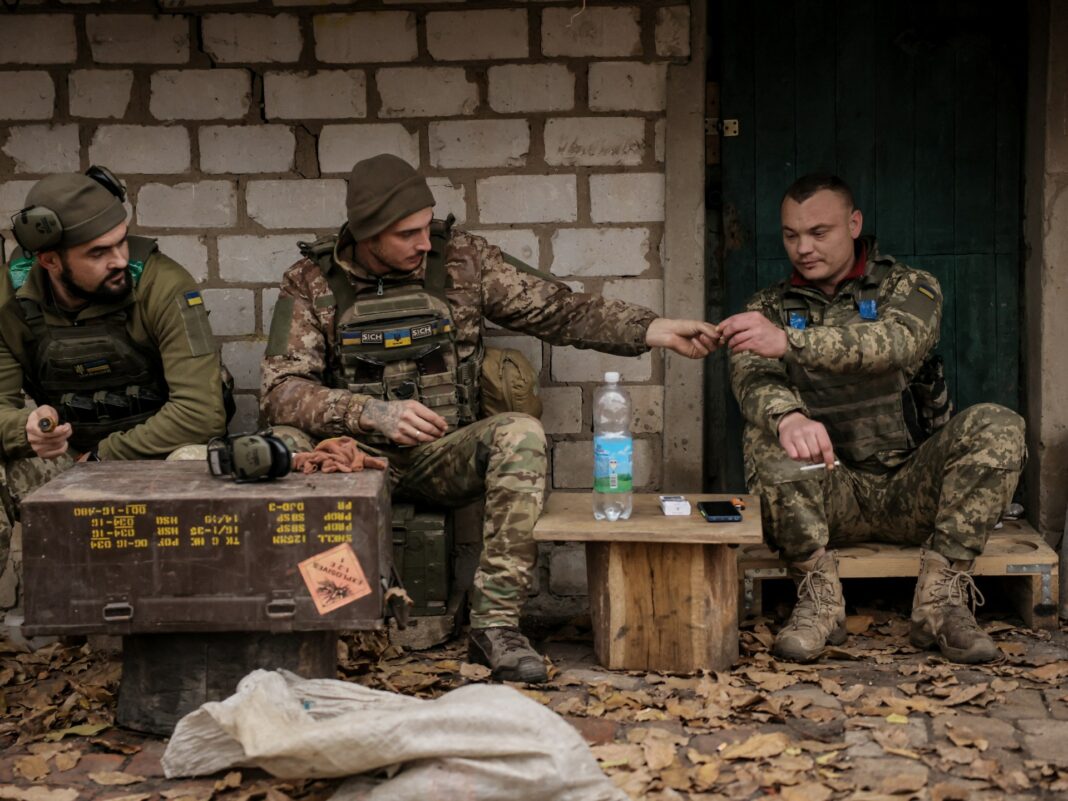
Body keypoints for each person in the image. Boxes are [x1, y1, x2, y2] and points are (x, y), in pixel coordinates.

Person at [261, 153, 720, 683]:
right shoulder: (309, 282)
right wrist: (370, 413)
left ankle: (496, 625)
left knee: (519, 435)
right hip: (354, 461)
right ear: (368, 234)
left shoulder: (462, 260)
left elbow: (560, 309)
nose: (425, 243)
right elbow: (280, 389)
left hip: (444, 454)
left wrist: (652, 330)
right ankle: (329, 620)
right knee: (280, 444)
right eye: (408, 234)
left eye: (427, 227)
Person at [719, 173, 1025, 665]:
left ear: (854, 223)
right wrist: (788, 417)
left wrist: (792, 342)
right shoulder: (768, 307)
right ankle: (818, 599)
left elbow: (896, 345)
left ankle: (941, 602)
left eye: (820, 232)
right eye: (791, 235)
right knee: (768, 436)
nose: (803, 247)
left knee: (999, 425)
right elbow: (753, 380)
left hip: (913, 487)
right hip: (829, 491)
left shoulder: (910, 287)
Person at [0, 167, 229, 598]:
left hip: (156, 456)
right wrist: (26, 429)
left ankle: (188, 612)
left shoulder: (163, 284)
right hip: (66, 461)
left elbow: (202, 412)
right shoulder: (9, 302)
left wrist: (104, 456)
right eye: (98, 252)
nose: (121, 260)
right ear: (49, 260)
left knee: (199, 464)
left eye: (122, 240)